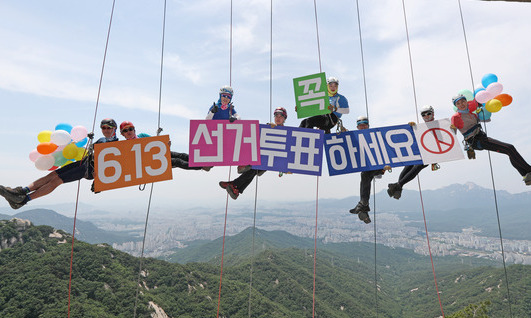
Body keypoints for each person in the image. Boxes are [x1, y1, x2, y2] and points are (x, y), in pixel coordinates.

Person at [0, 118, 119, 209]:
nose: (106, 130)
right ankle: (20, 191)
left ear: (114, 129)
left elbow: (111, 166)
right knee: (52, 175)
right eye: (103, 128)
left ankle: (23, 200)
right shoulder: (102, 140)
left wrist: (99, 183)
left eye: (109, 127)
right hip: (82, 163)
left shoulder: (118, 145)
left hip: (87, 170)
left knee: (56, 181)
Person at [451, 94, 531, 185]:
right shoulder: (456, 117)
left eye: (463, 101)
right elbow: (452, 132)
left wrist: (482, 109)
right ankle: (529, 171)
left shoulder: (472, 114)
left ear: (466, 102)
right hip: (476, 141)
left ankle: (526, 175)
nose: (461, 104)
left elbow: (487, 120)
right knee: (509, 148)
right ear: (456, 106)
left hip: (481, 138)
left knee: (508, 151)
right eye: (458, 103)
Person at [218, 107, 288, 200]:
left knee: (253, 169)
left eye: (281, 116)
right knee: (253, 171)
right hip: (265, 157)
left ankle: (235, 184)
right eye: (276, 116)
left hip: (272, 158)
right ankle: (237, 189)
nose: (278, 118)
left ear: (284, 118)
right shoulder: (269, 127)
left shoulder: (287, 131)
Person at [119, 121, 210, 171]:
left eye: (130, 129)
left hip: (158, 154)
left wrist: (165, 145)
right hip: (153, 162)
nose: (129, 131)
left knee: (182, 155)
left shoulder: (142, 136)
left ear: (134, 130)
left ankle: (202, 161)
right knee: (178, 161)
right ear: (123, 134)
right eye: (125, 130)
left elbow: (156, 143)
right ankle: (202, 166)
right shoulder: (126, 147)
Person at [387, 105, 435, 199]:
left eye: (428, 114)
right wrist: (411, 128)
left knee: (418, 166)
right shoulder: (421, 127)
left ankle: (398, 185)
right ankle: (398, 187)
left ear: (433, 113)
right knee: (409, 166)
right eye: (424, 115)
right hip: (420, 151)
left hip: (430, 153)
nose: (426, 116)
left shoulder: (440, 125)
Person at [349, 116, 389, 224]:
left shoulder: (375, 136)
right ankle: (363, 207)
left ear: (368, 126)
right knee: (365, 176)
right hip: (372, 167)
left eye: (364, 125)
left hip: (379, 165)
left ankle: (363, 205)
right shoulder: (357, 137)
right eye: (360, 126)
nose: (362, 127)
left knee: (365, 175)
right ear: (357, 127)